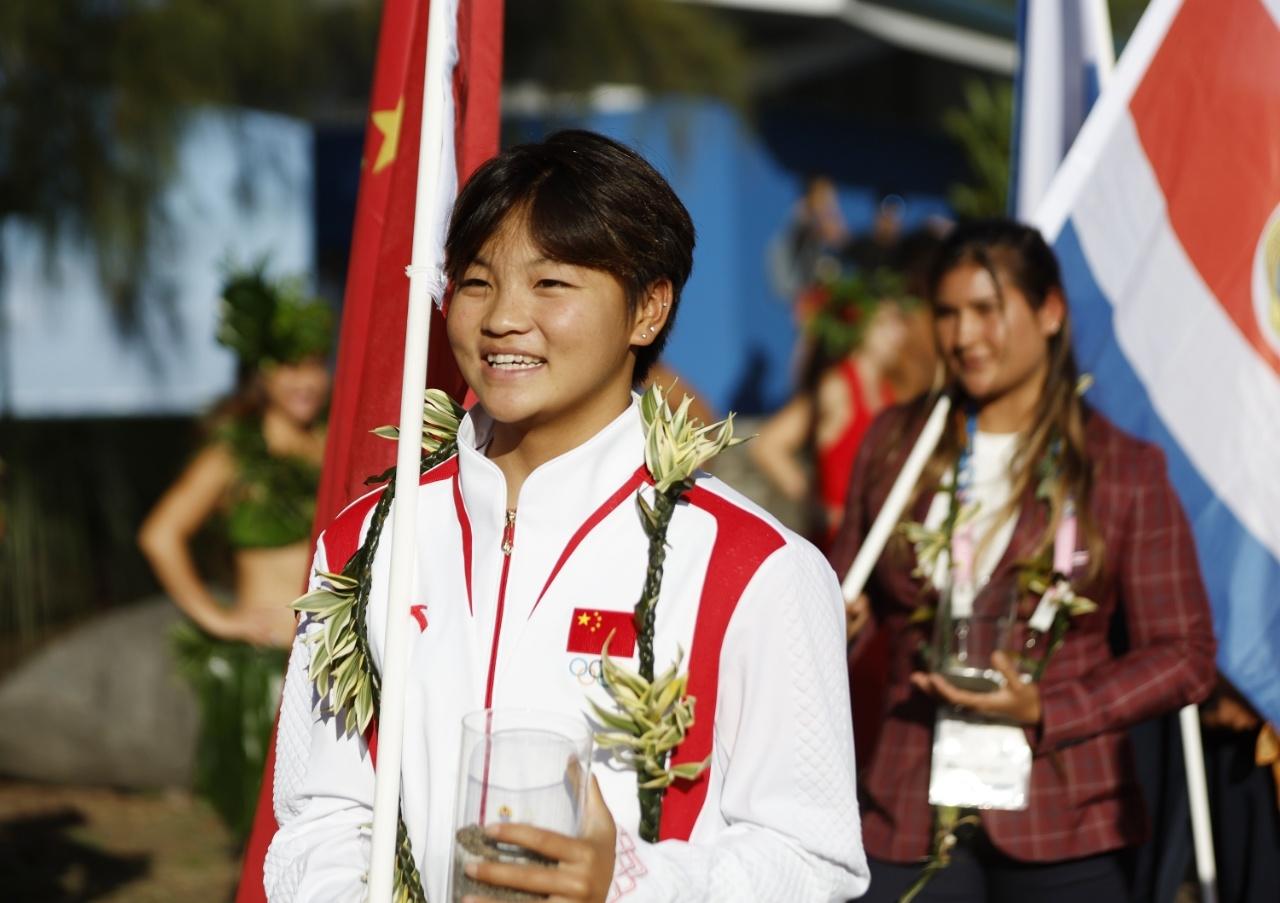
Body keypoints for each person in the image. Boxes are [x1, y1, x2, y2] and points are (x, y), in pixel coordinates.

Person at [264, 130, 868, 902]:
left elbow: (813, 861)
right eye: (478, 282)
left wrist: (626, 885)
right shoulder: (366, 541)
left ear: (648, 309)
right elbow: (320, 812)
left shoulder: (755, 567)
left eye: (550, 284)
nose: (504, 318)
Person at [829, 219, 1216, 901]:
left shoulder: (1121, 468)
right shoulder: (898, 444)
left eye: (987, 309)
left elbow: (1185, 654)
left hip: (1066, 819)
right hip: (906, 806)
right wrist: (838, 618)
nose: (963, 336)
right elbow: (844, 592)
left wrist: (1047, 704)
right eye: (947, 313)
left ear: (1049, 312)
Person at [138, 270, 331, 839]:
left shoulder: (332, 441)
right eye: (289, 365)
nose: (306, 380)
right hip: (265, 666)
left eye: (316, 363)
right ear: (259, 372)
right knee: (266, 834)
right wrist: (216, 616)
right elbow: (160, 534)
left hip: (331, 661)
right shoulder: (233, 454)